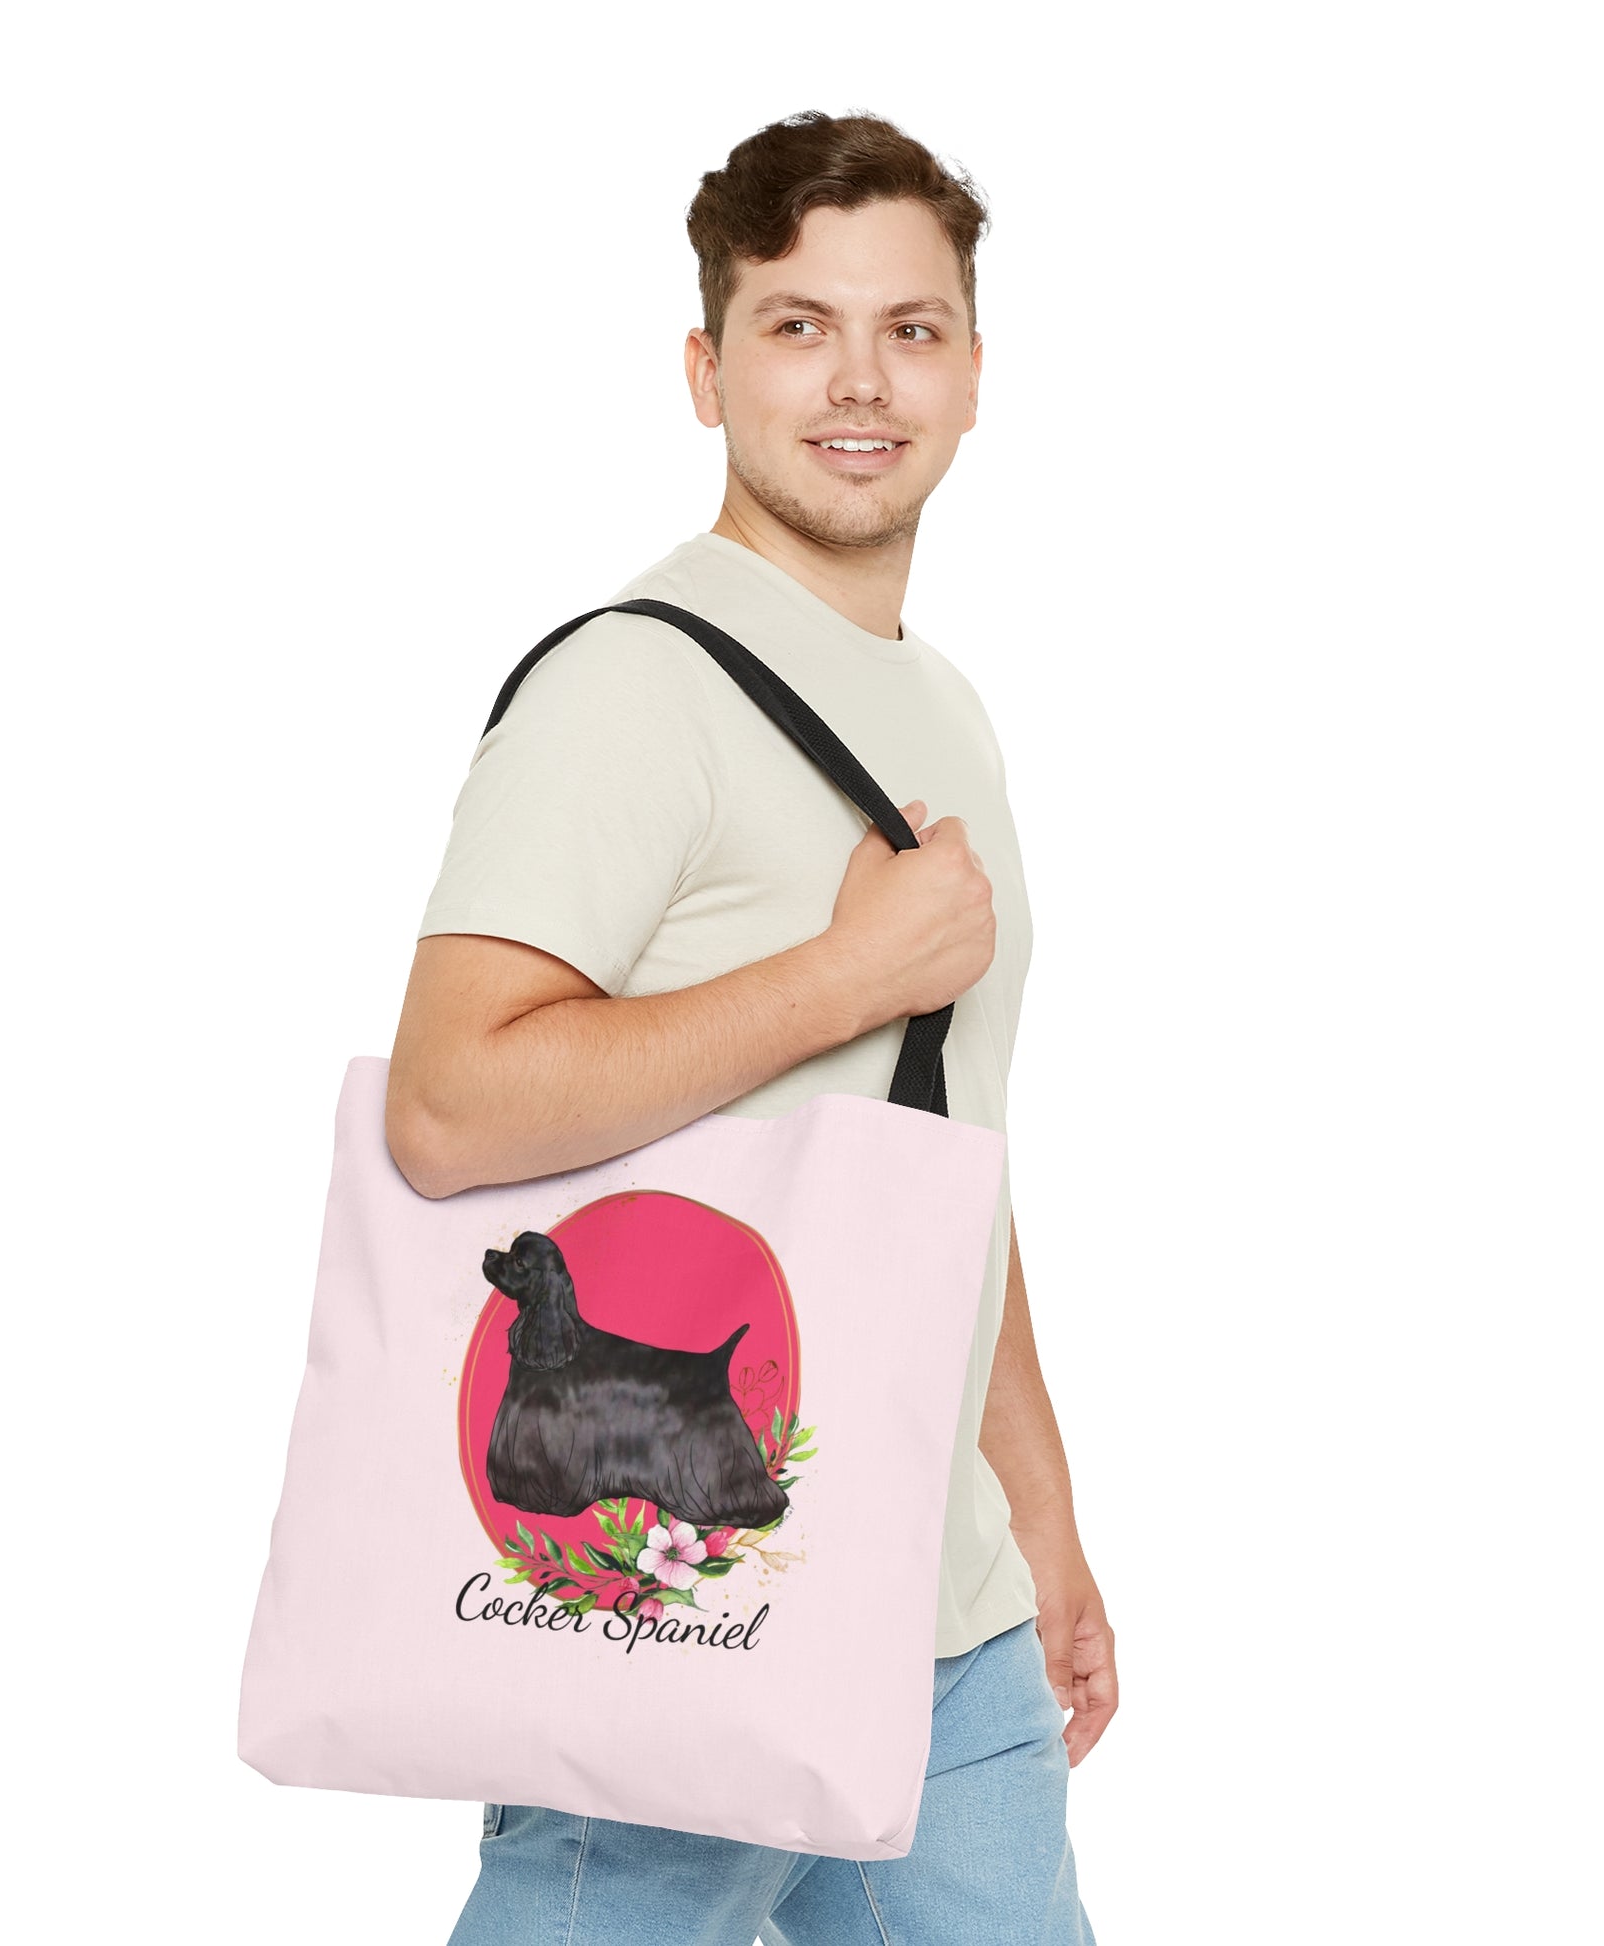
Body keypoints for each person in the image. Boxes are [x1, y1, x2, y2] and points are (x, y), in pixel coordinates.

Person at [387, 107, 1114, 1946]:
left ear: (971, 372)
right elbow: (448, 1105)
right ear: (707, 372)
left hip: (943, 1626)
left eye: (909, 329)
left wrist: (1034, 1514)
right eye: (799, 326)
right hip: (685, 1607)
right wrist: (842, 974)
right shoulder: (629, 686)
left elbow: (936, 1146)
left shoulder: (941, 705)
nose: (859, 380)